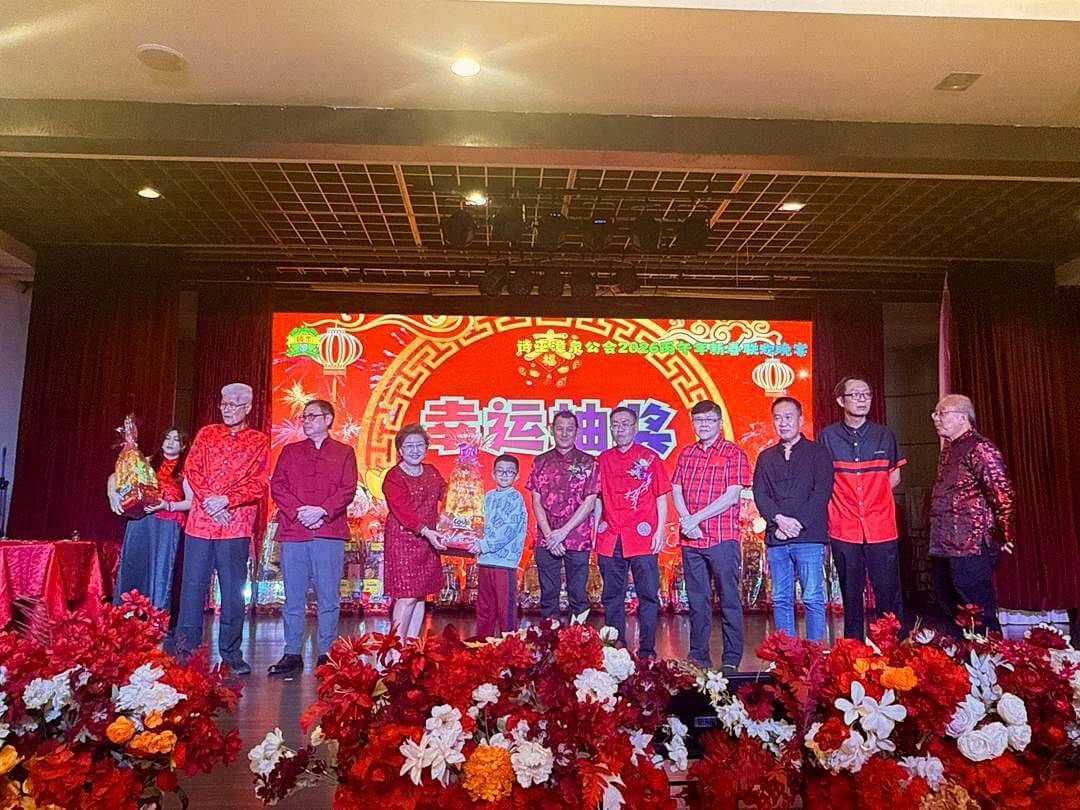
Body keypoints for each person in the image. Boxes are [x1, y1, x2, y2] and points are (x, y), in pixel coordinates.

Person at [175, 383, 269, 676]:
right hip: (201, 524)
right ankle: (186, 651)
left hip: (235, 525)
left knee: (232, 593)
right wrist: (211, 502)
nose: (227, 410)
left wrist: (227, 500)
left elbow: (259, 482)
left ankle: (231, 653)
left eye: (234, 405)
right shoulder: (206, 433)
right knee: (192, 588)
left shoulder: (259, 441)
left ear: (248, 407)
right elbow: (192, 469)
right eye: (224, 404)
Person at [267, 399, 358, 676]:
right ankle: (292, 652)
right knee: (293, 596)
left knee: (328, 596)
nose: (305, 421)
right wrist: (299, 512)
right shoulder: (290, 451)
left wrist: (322, 511)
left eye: (311, 416)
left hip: (328, 531)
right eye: (304, 417)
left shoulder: (344, 452)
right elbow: (277, 486)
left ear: (328, 419)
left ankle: (326, 653)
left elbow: (348, 489)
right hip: (294, 531)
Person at [818, 377, 906, 640]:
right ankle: (852, 648)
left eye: (866, 394)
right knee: (851, 592)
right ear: (840, 401)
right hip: (843, 526)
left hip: (881, 525)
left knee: (888, 590)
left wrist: (873, 499)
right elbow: (822, 479)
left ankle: (891, 646)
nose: (862, 399)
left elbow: (894, 476)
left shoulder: (884, 435)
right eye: (855, 395)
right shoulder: (827, 436)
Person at [672, 400, 750, 671]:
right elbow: (677, 489)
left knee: (729, 599)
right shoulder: (687, 453)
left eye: (709, 420)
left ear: (719, 423)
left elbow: (731, 496)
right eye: (698, 421)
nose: (703, 425)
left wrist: (695, 518)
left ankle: (731, 659)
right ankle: (698, 656)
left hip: (721, 537)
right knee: (697, 600)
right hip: (691, 539)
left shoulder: (733, 453)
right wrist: (686, 520)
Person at [929, 394, 1015, 636]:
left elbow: (1002, 493)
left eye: (942, 413)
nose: (936, 418)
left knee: (977, 608)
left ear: (962, 417)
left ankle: (989, 656)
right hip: (944, 542)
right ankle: (961, 656)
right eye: (935, 413)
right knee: (949, 605)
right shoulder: (950, 449)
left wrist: (1005, 533)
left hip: (971, 544)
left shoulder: (980, 447)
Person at [752, 397, 833, 643]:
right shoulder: (766, 457)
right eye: (778, 418)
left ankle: (816, 651)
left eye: (788, 417)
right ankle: (787, 653)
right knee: (780, 598)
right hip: (777, 537)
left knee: (812, 597)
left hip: (809, 536)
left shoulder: (818, 453)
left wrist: (796, 523)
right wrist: (779, 520)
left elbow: (821, 492)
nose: (783, 423)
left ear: (800, 420)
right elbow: (760, 494)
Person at [595, 406, 671, 659]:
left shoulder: (649, 458)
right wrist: (594, 531)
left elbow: (661, 496)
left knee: (648, 595)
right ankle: (615, 649)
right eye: (615, 424)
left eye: (625, 424)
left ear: (635, 427)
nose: (620, 429)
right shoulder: (602, 460)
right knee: (611, 596)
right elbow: (597, 498)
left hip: (642, 537)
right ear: (610, 428)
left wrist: (660, 530)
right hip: (610, 536)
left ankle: (647, 651)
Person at [525, 410, 600, 622]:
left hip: (577, 537)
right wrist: (551, 535)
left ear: (576, 432)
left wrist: (563, 533)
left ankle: (578, 640)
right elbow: (536, 501)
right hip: (547, 538)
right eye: (560, 428)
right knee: (548, 596)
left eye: (569, 429)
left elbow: (590, 501)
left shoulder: (589, 462)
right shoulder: (540, 461)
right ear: (552, 430)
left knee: (578, 596)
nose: (564, 433)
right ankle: (549, 639)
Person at [107, 426, 192, 611]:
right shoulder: (146, 462)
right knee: (132, 565)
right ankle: (125, 614)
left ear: (184, 446)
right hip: (140, 519)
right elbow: (116, 475)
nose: (170, 443)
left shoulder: (186, 470)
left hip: (167, 524)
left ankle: (155, 617)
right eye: (167, 438)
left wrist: (167, 505)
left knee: (160, 572)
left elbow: (191, 502)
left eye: (176, 440)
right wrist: (112, 492)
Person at [382, 424, 449, 639]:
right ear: (400, 450)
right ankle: (394, 650)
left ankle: (411, 646)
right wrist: (426, 531)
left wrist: (456, 500)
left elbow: (447, 493)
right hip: (403, 540)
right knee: (407, 595)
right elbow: (403, 511)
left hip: (428, 541)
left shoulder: (431, 472)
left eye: (419, 445)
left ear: (426, 448)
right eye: (409, 446)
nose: (415, 450)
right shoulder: (394, 476)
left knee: (420, 595)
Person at [471, 454, 527, 638]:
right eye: (500, 471)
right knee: (484, 608)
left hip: (505, 564)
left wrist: (483, 545)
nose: (504, 475)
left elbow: (508, 531)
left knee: (506, 610)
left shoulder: (515, 498)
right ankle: (482, 646)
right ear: (493, 473)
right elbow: (478, 523)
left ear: (516, 476)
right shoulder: (487, 497)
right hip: (485, 561)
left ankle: (509, 647)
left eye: (509, 472)